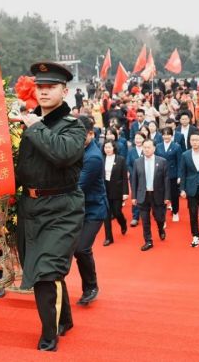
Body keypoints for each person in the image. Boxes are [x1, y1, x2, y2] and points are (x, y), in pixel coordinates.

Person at [16, 61, 87, 351]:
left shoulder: (74, 127)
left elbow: (62, 154)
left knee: (46, 271)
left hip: (62, 208)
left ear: (64, 91)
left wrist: (34, 126)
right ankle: (64, 319)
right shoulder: (28, 122)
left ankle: (48, 336)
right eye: (40, 86)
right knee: (39, 268)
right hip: (30, 206)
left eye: (51, 87)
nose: (43, 91)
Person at [74, 115, 108, 305]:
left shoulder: (93, 157)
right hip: (78, 209)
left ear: (91, 134)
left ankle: (91, 287)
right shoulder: (79, 149)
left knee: (82, 248)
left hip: (94, 210)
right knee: (76, 250)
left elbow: (78, 187)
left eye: (81, 136)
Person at [131, 138, 171, 251]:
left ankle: (160, 228)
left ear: (154, 148)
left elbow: (166, 181)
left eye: (149, 147)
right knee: (145, 219)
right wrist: (133, 196)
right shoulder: (137, 162)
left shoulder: (162, 161)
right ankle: (148, 241)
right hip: (142, 195)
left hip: (157, 194)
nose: (146, 149)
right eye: (144, 147)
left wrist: (167, 197)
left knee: (159, 217)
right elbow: (134, 180)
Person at [102, 140, 129, 246]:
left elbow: (124, 177)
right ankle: (108, 237)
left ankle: (123, 223)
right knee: (106, 215)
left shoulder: (120, 159)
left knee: (117, 212)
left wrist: (125, 192)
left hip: (117, 189)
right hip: (105, 189)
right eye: (105, 147)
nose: (107, 149)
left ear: (114, 148)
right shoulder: (101, 159)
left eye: (109, 147)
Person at [155, 127, 182, 222]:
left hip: (173, 174)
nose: (166, 136)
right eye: (164, 134)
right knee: (161, 195)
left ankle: (175, 212)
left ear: (172, 135)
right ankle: (162, 216)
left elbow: (180, 162)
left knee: (174, 195)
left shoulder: (177, 146)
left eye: (168, 134)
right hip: (160, 174)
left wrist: (179, 175)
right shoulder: (158, 146)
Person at [127, 132, 145, 227]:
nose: (138, 140)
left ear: (144, 139)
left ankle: (145, 212)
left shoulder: (146, 149)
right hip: (134, 177)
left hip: (146, 176)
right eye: (136, 138)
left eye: (140, 138)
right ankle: (135, 217)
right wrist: (134, 172)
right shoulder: (131, 150)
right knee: (135, 195)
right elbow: (128, 163)